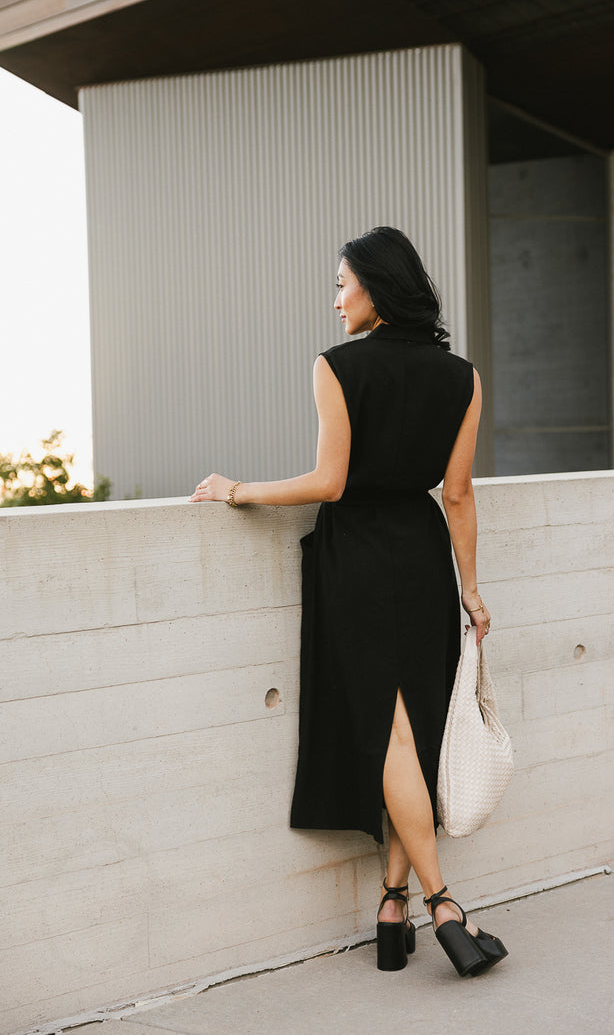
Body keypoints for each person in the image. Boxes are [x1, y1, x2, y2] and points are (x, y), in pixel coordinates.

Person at [189, 226, 507, 977]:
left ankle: (441, 903)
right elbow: (457, 495)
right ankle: (390, 906)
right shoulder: (463, 376)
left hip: (359, 556)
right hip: (424, 556)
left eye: (341, 284)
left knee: (394, 736)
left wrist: (237, 489)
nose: (334, 301)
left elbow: (329, 482)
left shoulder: (335, 368)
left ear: (374, 285)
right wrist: (471, 589)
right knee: (415, 732)